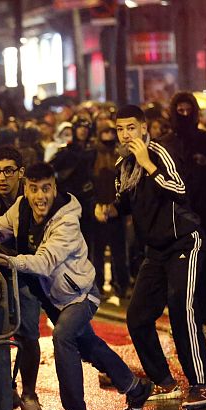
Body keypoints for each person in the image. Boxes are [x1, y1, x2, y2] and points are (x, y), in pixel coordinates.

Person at [0, 164, 153, 410]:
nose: (39, 196)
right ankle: (135, 387)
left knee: (63, 336)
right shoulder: (21, 208)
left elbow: (44, 263)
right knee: (89, 346)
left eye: (46, 188)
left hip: (80, 295)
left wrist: (2, 258)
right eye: (33, 189)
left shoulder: (67, 221)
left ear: (54, 188)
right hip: (53, 298)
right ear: (25, 189)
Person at [95, 105, 206, 410]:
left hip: (184, 243)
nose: (125, 134)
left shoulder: (159, 153)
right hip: (155, 252)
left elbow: (180, 189)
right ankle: (164, 381)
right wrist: (108, 209)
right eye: (121, 129)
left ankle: (202, 386)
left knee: (180, 306)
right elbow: (125, 204)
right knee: (137, 317)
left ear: (144, 127)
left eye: (131, 128)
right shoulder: (123, 164)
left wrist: (148, 164)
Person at [160, 92, 206, 327]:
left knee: (205, 267)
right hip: (175, 217)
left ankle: (203, 317)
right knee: (179, 269)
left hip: (204, 215)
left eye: (189, 110)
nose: (185, 115)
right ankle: (182, 317)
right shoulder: (165, 143)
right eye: (180, 111)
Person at [51, 116, 97, 259]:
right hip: (69, 201)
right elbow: (52, 170)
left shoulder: (94, 151)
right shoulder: (66, 151)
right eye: (80, 128)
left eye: (86, 128)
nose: (83, 131)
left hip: (87, 201)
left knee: (87, 241)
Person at [91, 121, 129, 299]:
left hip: (116, 209)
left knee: (119, 252)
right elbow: (91, 182)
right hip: (98, 208)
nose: (108, 135)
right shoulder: (93, 154)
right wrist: (95, 205)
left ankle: (121, 285)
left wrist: (119, 206)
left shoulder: (120, 153)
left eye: (110, 132)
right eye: (104, 132)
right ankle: (98, 286)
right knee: (97, 252)